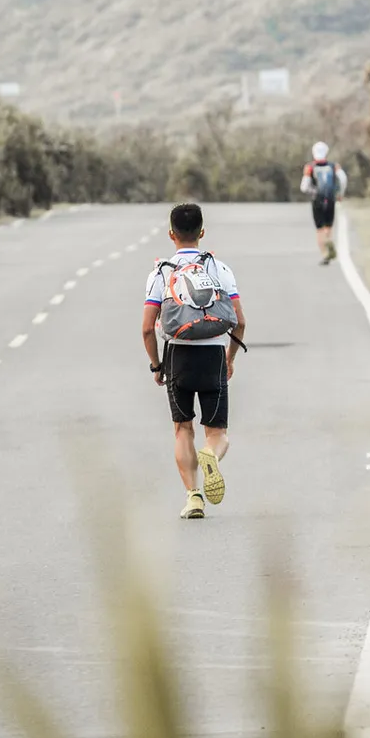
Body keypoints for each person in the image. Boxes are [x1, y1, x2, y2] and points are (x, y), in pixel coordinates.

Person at [142, 203, 245, 520]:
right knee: (218, 433)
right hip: (213, 353)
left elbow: (147, 328)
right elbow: (239, 322)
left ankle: (194, 497)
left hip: (178, 355)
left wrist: (157, 365)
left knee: (182, 429)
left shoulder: (161, 272)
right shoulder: (219, 269)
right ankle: (210, 455)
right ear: (202, 232)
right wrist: (229, 359)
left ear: (171, 234)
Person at [300, 141, 347, 265]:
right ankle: (329, 240)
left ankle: (325, 253)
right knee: (328, 226)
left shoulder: (310, 167)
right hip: (330, 198)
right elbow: (342, 179)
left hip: (317, 199)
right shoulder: (333, 166)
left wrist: (312, 192)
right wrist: (339, 194)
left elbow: (304, 186)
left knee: (319, 228)